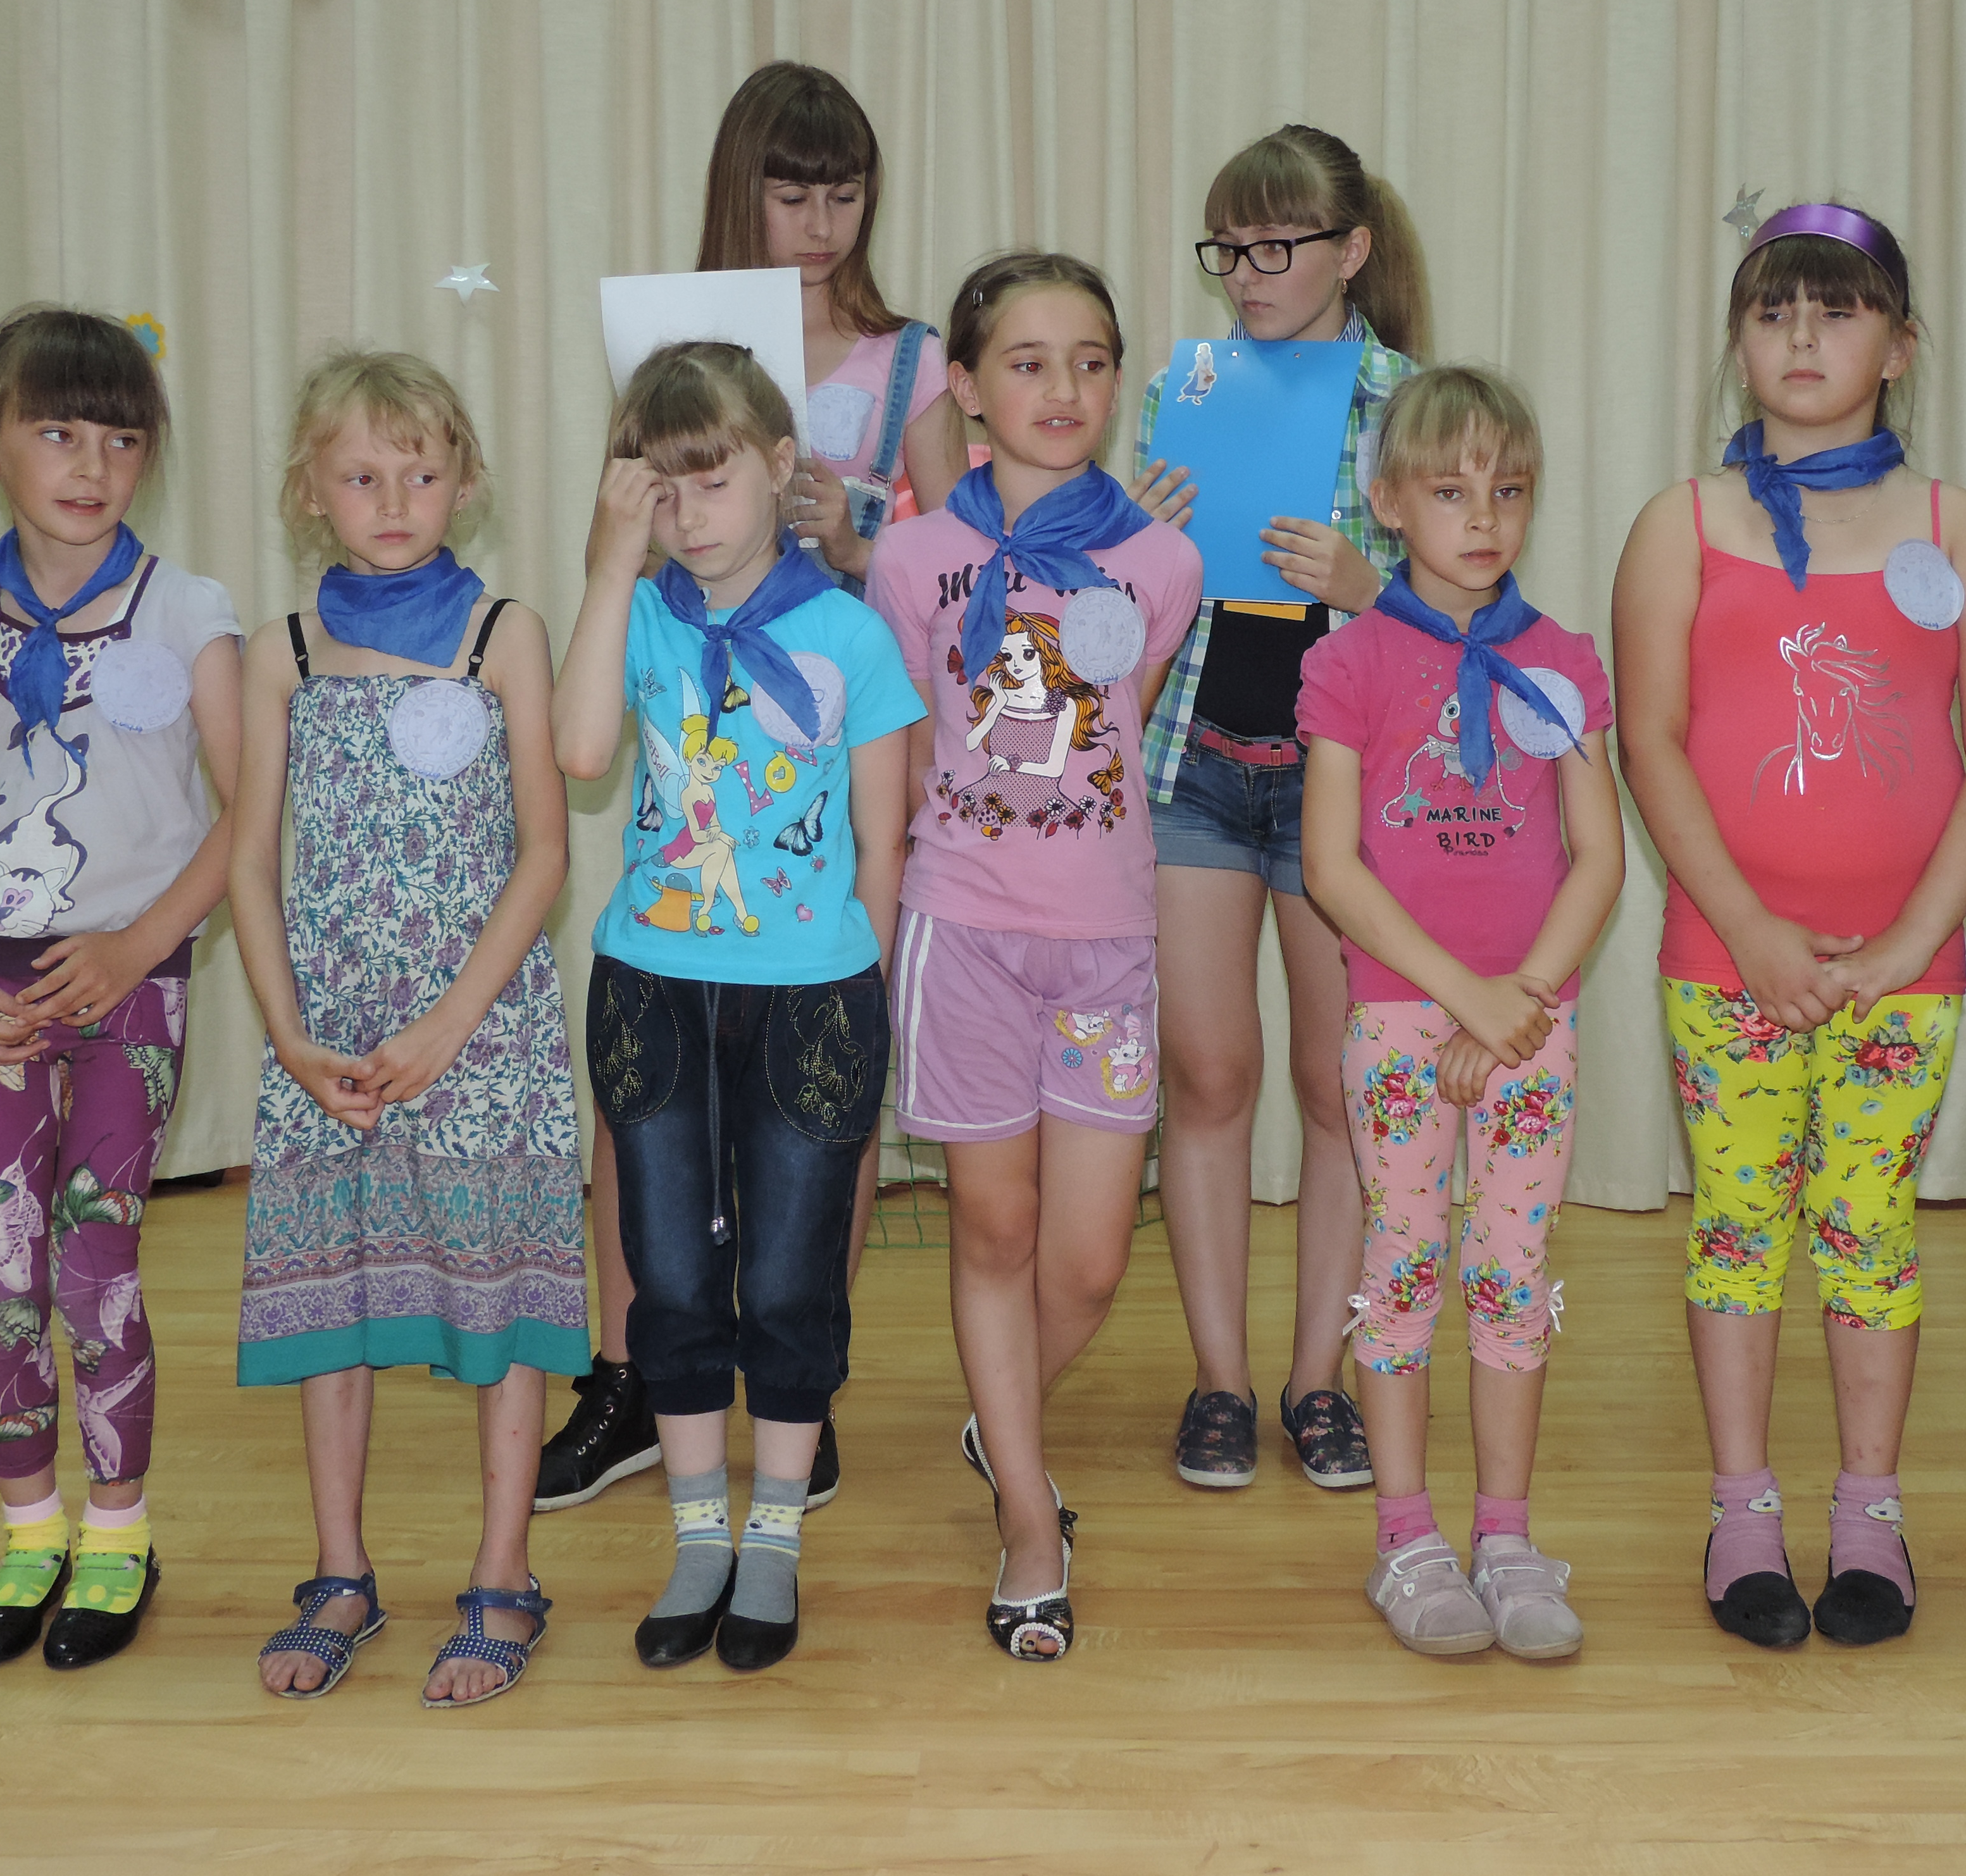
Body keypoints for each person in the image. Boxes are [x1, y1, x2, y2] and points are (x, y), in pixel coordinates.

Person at [541, 61, 962, 1515]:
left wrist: (853, 530)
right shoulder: (678, 345)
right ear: (745, 191)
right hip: (682, 801)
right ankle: (634, 1378)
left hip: (826, 744)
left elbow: (952, 561)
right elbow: (620, 591)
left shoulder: (907, 362)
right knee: (647, 1134)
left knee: (810, 1140)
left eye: (846, 193)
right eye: (793, 192)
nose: (822, 221)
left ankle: (797, 1391)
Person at [1612, 204, 1966, 1651]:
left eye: (1838, 312)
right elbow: (1653, 743)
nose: (1803, 337)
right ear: (1739, 344)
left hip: (1904, 971)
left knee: (1869, 1231)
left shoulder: (1957, 529)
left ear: (1899, 348)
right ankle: (1742, 1511)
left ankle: (1870, 1515)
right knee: (1739, 1227)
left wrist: (1916, 939)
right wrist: (1749, 930)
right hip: (1731, 961)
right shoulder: (1682, 525)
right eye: (1774, 312)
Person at [556, 340, 924, 1675]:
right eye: (659, 489)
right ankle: (697, 1532)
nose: (689, 513)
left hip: (809, 998)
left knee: (785, 1274)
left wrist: (855, 990)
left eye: (711, 480)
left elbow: (883, 842)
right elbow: (582, 752)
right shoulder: (642, 615)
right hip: (652, 987)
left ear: (780, 467)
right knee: (669, 1269)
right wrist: (609, 570)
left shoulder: (851, 635)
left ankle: (774, 1535)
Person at [228, 352, 588, 1707]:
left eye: (421, 474)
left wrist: (450, 1022)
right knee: (338, 1308)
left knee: (499, 1306)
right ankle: (341, 1574)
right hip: (330, 1044)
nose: (393, 501)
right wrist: (289, 1035)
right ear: (309, 492)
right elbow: (250, 861)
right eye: (362, 476)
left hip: (481, 1039)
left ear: (465, 482)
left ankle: (505, 1575)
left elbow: (544, 852)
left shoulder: (505, 636)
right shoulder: (283, 652)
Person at [0, 306, 243, 1671]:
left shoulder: (190, 611)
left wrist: (138, 946)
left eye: (121, 438)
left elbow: (246, 813)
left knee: (94, 1262)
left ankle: (118, 1536)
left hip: (131, 986)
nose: (92, 465)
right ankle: (28, 1531)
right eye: (56, 433)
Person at [869, 252, 1202, 1660]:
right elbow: (903, 756)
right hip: (964, 935)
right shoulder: (909, 561)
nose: (1062, 388)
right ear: (965, 386)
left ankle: (997, 1418)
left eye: (1090, 361)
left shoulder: (1164, 560)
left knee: (1089, 1261)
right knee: (994, 1233)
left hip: (1108, 947)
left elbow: (1116, 739)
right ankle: (1025, 1516)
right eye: (1026, 361)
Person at [1295, 366, 1624, 1659]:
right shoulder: (1349, 662)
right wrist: (1465, 999)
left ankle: (1506, 1536)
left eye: (1509, 490)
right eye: (1449, 492)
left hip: (1530, 1021)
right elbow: (1334, 870)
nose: (1483, 518)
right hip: (1405, 1017)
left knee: (1511, 1270)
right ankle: (1407, 1539)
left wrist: (1520, 1002)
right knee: (1404, 1267)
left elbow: (1597, 858)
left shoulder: (1564, 663)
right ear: (1388, 503)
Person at [1128, 123, 1426, 1496]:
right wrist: (1135, 543)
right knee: (1206, 1075)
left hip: (1335, 781)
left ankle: (1320, 1382)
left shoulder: (1410, 403)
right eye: (1229, 250)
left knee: (1335, 1083)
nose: (1247, 274)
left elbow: (1471, 618)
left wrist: (1374, 593)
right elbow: (1118, 616)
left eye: (1276, 248)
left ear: (1350, 251)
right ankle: (1219, 1383)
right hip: (1193, 760)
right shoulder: (1178, 389)